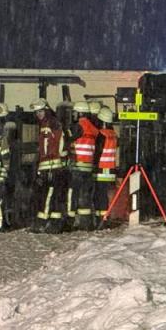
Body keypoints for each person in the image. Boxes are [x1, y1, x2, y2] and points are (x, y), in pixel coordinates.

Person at [29, 98, 68, 233]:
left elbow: (60, 141)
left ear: (46, 110)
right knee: (48, 195)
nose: (38, 114)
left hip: (52, 166)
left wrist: (57, 157)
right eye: (36, 112)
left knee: (49, 195)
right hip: (47, 166)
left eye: (40, 111)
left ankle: (45, 223)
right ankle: (49, 223)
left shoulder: (52, 123)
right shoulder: (46, 124)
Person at [67, 101, 100, 231]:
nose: (74, 114)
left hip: (77, 165)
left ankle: (69, 221)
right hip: (88, 166)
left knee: (73, 193)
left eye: (75, 112)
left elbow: (68, 141)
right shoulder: (93, 129)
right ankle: (85, 223)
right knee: (85, 195)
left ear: (80, 113)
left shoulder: (77, 127)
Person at [93, 106, 120, 228]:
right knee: (105, 195)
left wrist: (93, 167)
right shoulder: (113, 135)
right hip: (111, 170)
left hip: (101, 169)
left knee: (100, 195)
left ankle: (101, 219)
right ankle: (105, 217)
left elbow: (97, 153)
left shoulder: (101, 135)